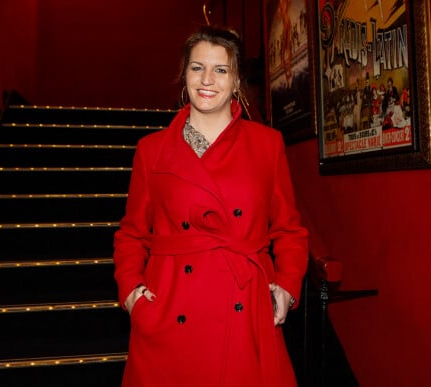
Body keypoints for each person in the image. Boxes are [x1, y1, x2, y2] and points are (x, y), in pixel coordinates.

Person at [113, 25, 309, 387]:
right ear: (183, 75)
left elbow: (288, 229)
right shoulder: (151, 150)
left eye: (220, 70)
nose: (207, 79)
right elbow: (131, 233)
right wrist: (131, 294)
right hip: (170, 309)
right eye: (196, 67)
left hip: (244, 304)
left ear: (236, 81)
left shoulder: (267, 144)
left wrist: (286, 286)